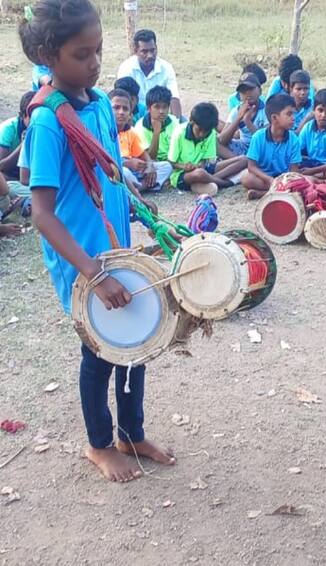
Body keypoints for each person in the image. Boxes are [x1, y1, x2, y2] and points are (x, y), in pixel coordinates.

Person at [20, 0, 175, 482]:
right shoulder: (48, 121)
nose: (94, 63)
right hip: (85, 263)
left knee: (137, 341)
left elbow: (112, 176)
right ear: (49, 54)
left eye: (99, 51)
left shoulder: (103, 104)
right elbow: (42, 215)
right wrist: (94, 272)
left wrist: (148, 221)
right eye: (82, 54)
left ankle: (132, 432)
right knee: (99, 354)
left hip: (117, 249)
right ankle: (99, 444)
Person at [167, 102, 245, 195]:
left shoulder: (211, 133)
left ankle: (210, 180)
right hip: (183, 174)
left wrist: (201, 164)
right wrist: (184, 166)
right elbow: (171, 162)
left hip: (204, 170)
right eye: (199, 130)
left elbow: (206, 160)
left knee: (244, 159)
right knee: (200, 174)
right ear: (191, 121)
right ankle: (225, 183)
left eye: (206, 132)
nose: (202, 134)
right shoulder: (179, 133)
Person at [109, 88, 171, 192]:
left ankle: (137, 188)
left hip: (134, 171)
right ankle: (140, 188)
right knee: (123, 172)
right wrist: (127, 163)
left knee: (166, 166)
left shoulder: (130, 131)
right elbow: (104, 161)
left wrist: (150, 165)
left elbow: (143, 154)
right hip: (119, 168)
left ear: (130, 112)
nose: (121, 112)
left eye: (125, 109)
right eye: (116, 108)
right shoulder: (103, 131)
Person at [241, 94, 302, 199]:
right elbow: (251, 166)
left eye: (293, 114)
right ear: (274, 118)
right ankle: (280, 191)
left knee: (300, 182)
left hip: (285, 178)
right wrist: (270, 180)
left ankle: (264, 193)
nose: (293, 118)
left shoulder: (294, 139)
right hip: (264, 178)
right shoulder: (258, 137)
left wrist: (286, 180)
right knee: (246, 178)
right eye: (289, 114)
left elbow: (294, 170)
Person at [116, 29, 182, 118]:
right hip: (135, 114)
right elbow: (122, 99)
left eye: (152, 50)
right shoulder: (127, 68)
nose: (150, 55)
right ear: (135, 50)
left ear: (156, 48)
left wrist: (176, 123)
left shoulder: (166, 68)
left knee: (183, 122)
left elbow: (174, 98)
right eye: (144, 51)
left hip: (159, 114)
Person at [218, 73, 268, 157]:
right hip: (243, 146)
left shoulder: (266, 109)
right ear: (239, 96)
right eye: (243, 91)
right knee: (215, 142)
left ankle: (243, 162)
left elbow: (264, 140)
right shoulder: (236, 111)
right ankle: (240, 160)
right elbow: (222, 140)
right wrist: (239, 118)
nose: (247, 93)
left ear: (260, 91)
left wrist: (247, 122)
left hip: (261, 149)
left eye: (251, 89)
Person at [134, 85, 178, 162]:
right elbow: (150, 157)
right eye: (157, 107)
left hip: (173, 161)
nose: (161, 111)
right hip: (154, 163)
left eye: (165, 107)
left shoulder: (174, 121)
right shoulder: (140, 127)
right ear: (148, 108)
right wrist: (156, 132)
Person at [0, 91, 34, 180]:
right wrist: (22, 146)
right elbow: (2, 166)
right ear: (22, 115)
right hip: (9, 176)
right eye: (32, 117)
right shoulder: (8, 129)